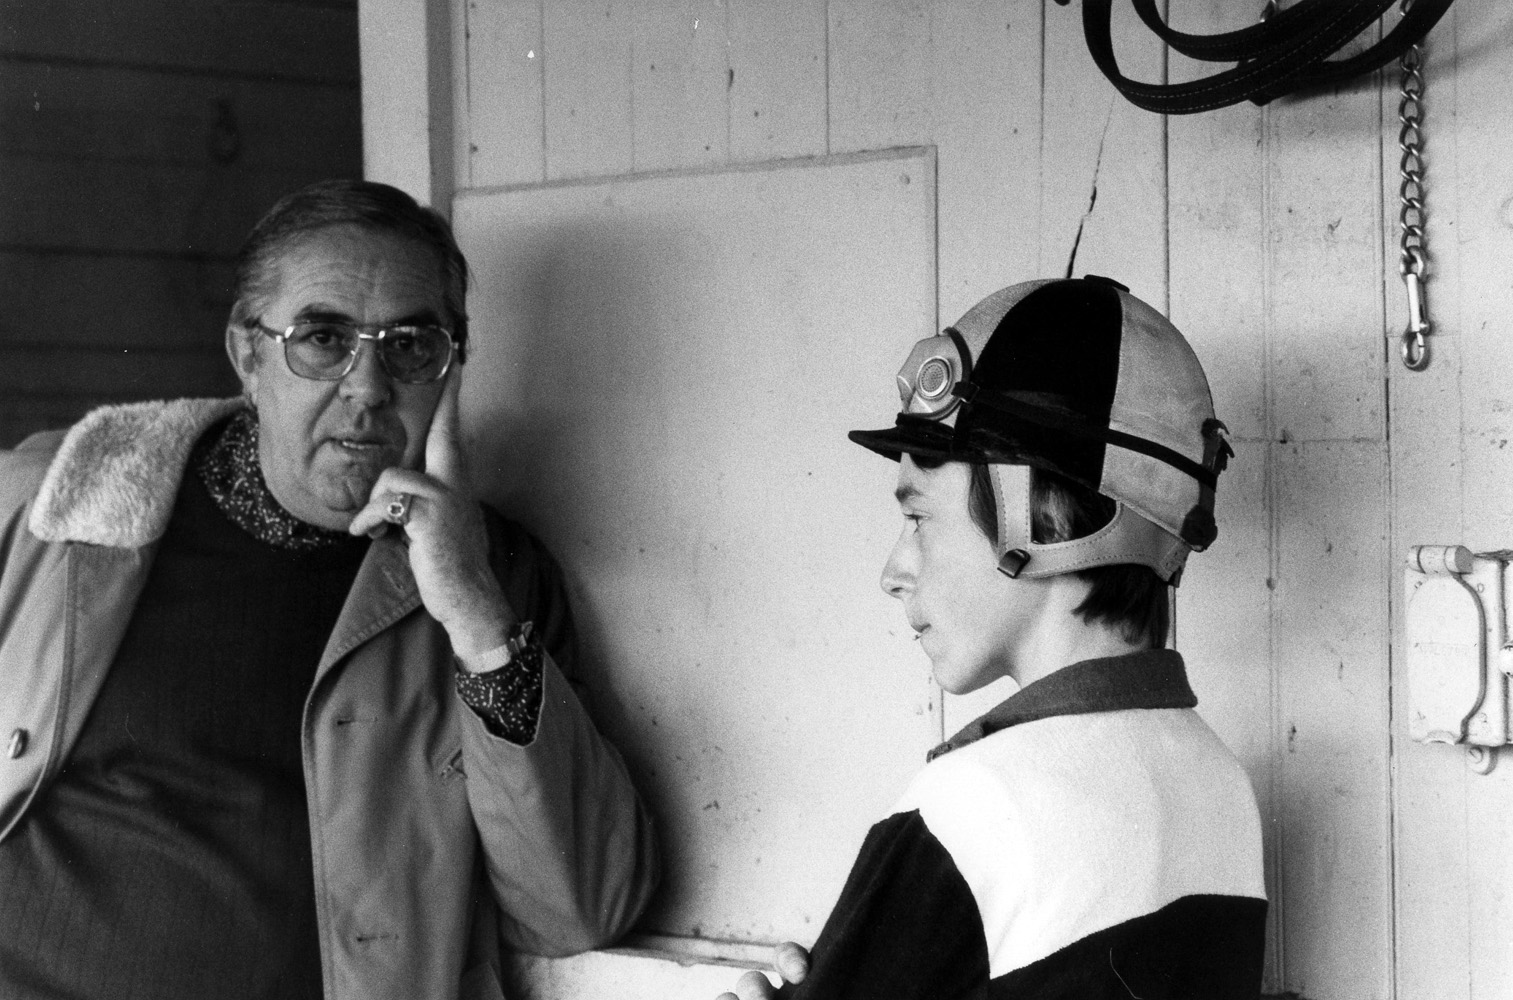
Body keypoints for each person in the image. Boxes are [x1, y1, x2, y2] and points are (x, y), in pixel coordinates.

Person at [0, 180, 658, 1000]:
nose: (368, 385)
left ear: (454, 363)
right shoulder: (56, 506)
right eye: (321, 337)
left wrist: (476, 617)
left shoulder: (492, 576)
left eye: (411, 345)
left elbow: (582, 908)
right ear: (247, 352)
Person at [722, 276, 1267, 999]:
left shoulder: (971, 805)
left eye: (917, 518)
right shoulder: (1218, 780)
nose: (894, 572)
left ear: (1035, 514)